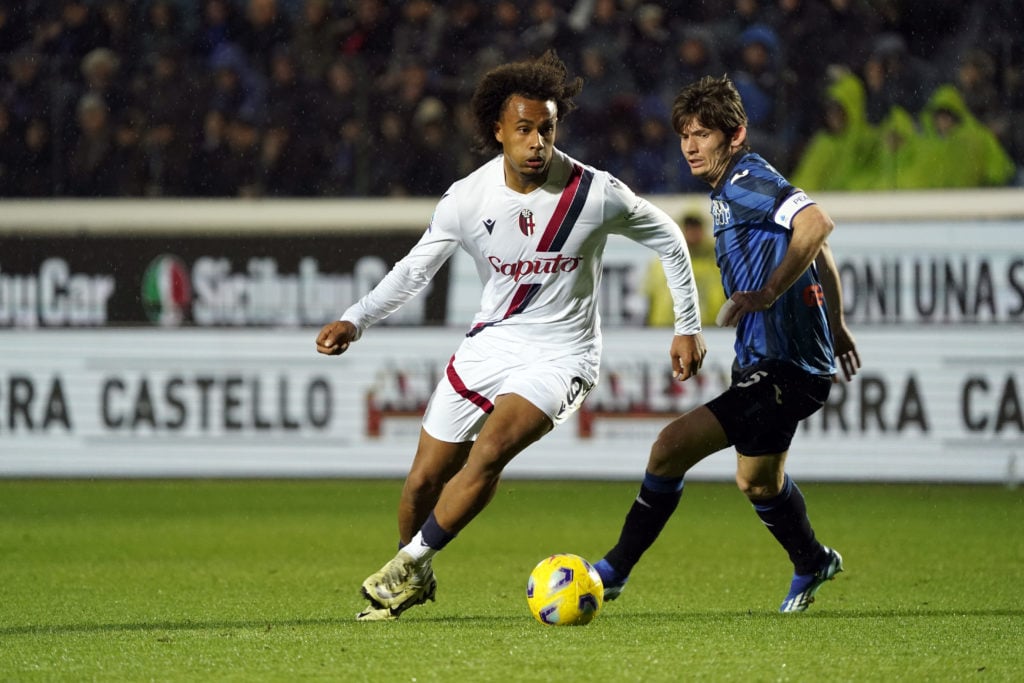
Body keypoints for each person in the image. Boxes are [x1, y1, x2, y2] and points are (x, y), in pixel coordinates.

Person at [315, 51, 707, 621]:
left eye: (546, 128)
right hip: (490, 345)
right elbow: (414, 270)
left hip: (562, 355)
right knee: (422, 481)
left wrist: (687, 325)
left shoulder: (592, 193)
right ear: (497, 131)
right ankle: (413, 572)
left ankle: (411, 563)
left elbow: (671, 237)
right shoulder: (467, 198)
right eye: (523, 129)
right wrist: (357, 318)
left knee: (492, 450)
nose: (537, 142)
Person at [592, 74, 861, 613]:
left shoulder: (746, 178)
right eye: (684, 135)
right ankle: (812, 561)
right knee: (757, 482)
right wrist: (836, 321)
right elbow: (813, 240)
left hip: (788, 365)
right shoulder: (733, 188)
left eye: (702, 134)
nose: (690, 145)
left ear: (735, 135)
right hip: (769, 358)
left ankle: (613, 570)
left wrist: (768, 290)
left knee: (670, 446)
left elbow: (817, 223)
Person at [644, 211, 725, 328]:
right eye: (689, 228)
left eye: (695, 228)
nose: (692, 233)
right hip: (665, 329)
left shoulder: (717, 260)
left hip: (710, 328)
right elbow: (650, 298)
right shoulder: (661, 261)